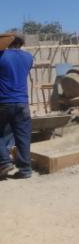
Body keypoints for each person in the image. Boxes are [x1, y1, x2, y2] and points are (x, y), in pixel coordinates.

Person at [0, 34, 34, 179]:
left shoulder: (2, 55)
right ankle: (25, 170)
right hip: (22, 103)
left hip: (3, 102)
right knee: (22, 137)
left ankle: (4, 162)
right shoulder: (29, 57)